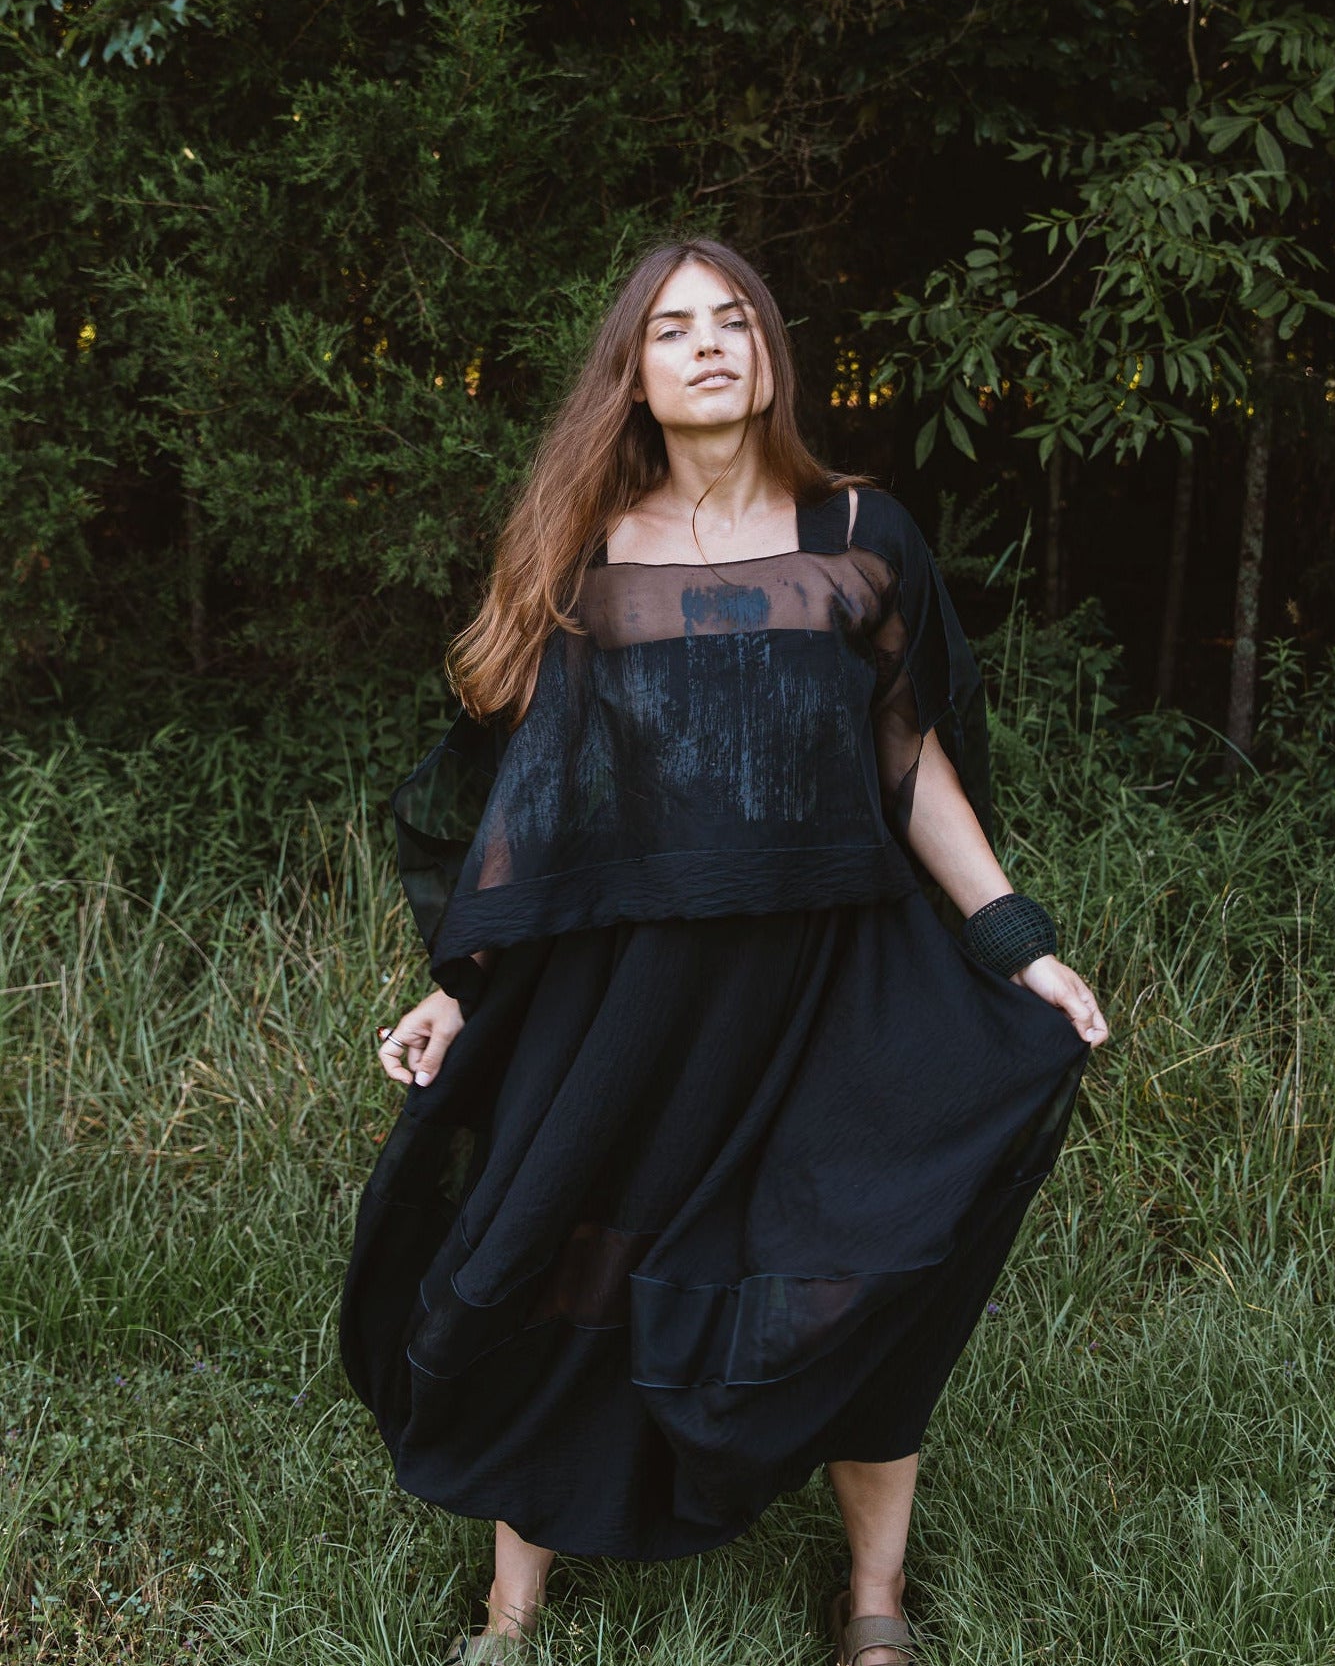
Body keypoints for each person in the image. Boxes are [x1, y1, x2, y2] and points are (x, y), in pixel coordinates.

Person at [339, 237, 1109, 1666]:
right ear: (630, 369)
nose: (709, 343)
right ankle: (512, 1613)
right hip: (632, 992)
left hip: (836, 978)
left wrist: (1016, 944)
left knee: (856, 1261)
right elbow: (530, 798)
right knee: (565, 1255)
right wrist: (457, 983)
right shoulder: (586, 549)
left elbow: (908, 758)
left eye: (735, 319)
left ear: (769, 356)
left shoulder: (859, 532)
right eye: (675, 326)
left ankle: (873, 1600)